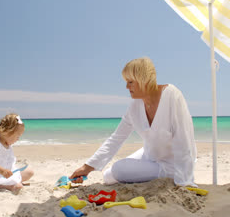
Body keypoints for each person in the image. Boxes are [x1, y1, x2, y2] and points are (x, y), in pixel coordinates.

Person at [70, 57, 197, 187]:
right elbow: (116, 138)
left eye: (130, 82)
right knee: (108, 176)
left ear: (144, 79)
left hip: (172, 164)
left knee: (119, 169)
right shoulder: (135, 105)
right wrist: (87, 168)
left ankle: (168, 176)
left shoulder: (171, 95)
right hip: (150, 155)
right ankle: (149, 175)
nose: (126, 87)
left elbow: (184, 141)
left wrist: (184, 182)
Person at [0, 113, 34, 192]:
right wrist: (2, 171)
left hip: (8, 173)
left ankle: (11, 183)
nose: (18, 139)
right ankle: (0, 186)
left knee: (30, 172)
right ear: (8, 133)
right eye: (17, 136)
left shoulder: (7, 145)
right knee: (18, 187)